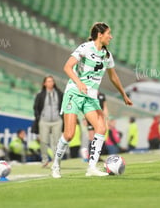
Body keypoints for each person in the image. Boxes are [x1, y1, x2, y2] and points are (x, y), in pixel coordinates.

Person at [51, 22, 133, 178]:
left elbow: (113, 76)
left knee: (101, 128)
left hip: (90, 96)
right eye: (109, 33)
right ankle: (55, 165)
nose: (111, 36)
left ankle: (92, 167)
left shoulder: (107, 55)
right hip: (74, 92)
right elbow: (67, 67)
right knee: (69, 134)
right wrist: (79, 82)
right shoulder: (85, 48)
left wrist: (123, 94)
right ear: (100, 35)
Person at [33, 75, 63, 168]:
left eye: (52, 81)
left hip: (57, 121)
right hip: (44, 121)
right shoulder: (40, 95)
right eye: (48, 81)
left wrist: (62, 116)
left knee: (57, 142)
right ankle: (45, 160)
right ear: (44, 83)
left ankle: (56, 161)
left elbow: (63, 105)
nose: (50, 83)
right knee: (44, 141)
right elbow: (36, 107)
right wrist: (38, 117)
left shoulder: (59, 93)